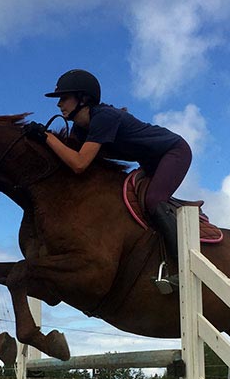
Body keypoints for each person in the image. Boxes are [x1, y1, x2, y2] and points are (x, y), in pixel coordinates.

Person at [26, 69, 192, 292]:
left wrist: (46, 137)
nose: (59, 104)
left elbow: (79, 164)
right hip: (148, 162)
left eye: (64, 98)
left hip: (173, 152)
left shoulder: (103, 117)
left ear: (83, 98)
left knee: (153, 200)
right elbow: (67, 160)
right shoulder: (80, 128)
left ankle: (184, 269)